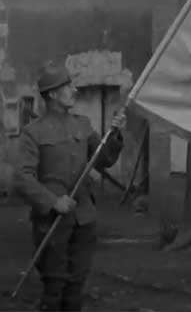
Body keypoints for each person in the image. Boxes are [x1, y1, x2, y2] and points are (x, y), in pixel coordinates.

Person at [13, 63, 125, 311]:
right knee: (54, 288)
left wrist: (115, 135)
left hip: (84, 218)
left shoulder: (82, 125)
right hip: (52, 223)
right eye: (68, 87)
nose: (74, 90)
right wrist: (53, 201)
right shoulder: (33, 133)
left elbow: (104, 159)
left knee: (76, 287)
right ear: (52, 94)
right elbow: (22, 177)